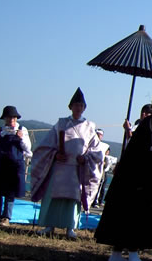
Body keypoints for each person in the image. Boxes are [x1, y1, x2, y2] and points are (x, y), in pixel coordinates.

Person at [95, 90, 152, 261]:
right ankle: (132, 254)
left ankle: (117, 254)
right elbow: (150, 152)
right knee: (134, 215)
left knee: (127, 214)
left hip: (139, 177)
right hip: (136, 179)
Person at [30, 88, 104, 239]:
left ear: (84, 108)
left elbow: (97, 151)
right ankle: (49, 225)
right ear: (70, 106)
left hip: (77, 168)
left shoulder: (90, 127)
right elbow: (46, 144)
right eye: (76, 105)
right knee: (52, 196)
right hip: (59, 166)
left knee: (73, 199)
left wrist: (86, 158)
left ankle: (70, 227)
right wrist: (55, 154)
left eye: (81, 105)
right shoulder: (61, 123)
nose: (78, 108)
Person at [0, 106, 32, 225]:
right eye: (8, 117)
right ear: (4, 118)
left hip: (14, 166)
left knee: (10, 193)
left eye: (13, 117)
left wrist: (21, 138)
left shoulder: (22, 130)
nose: (11, 119)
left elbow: (28, 149)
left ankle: (6, 217)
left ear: (16, 118)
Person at [91, 129, 111, 207]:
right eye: (97, 134)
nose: (98, 136)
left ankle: (96, 200)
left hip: (100, 168)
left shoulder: (104, 145)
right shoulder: (90, 143)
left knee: (99, 185)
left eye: (99, 134)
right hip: (91, 167)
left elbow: (107, 154)